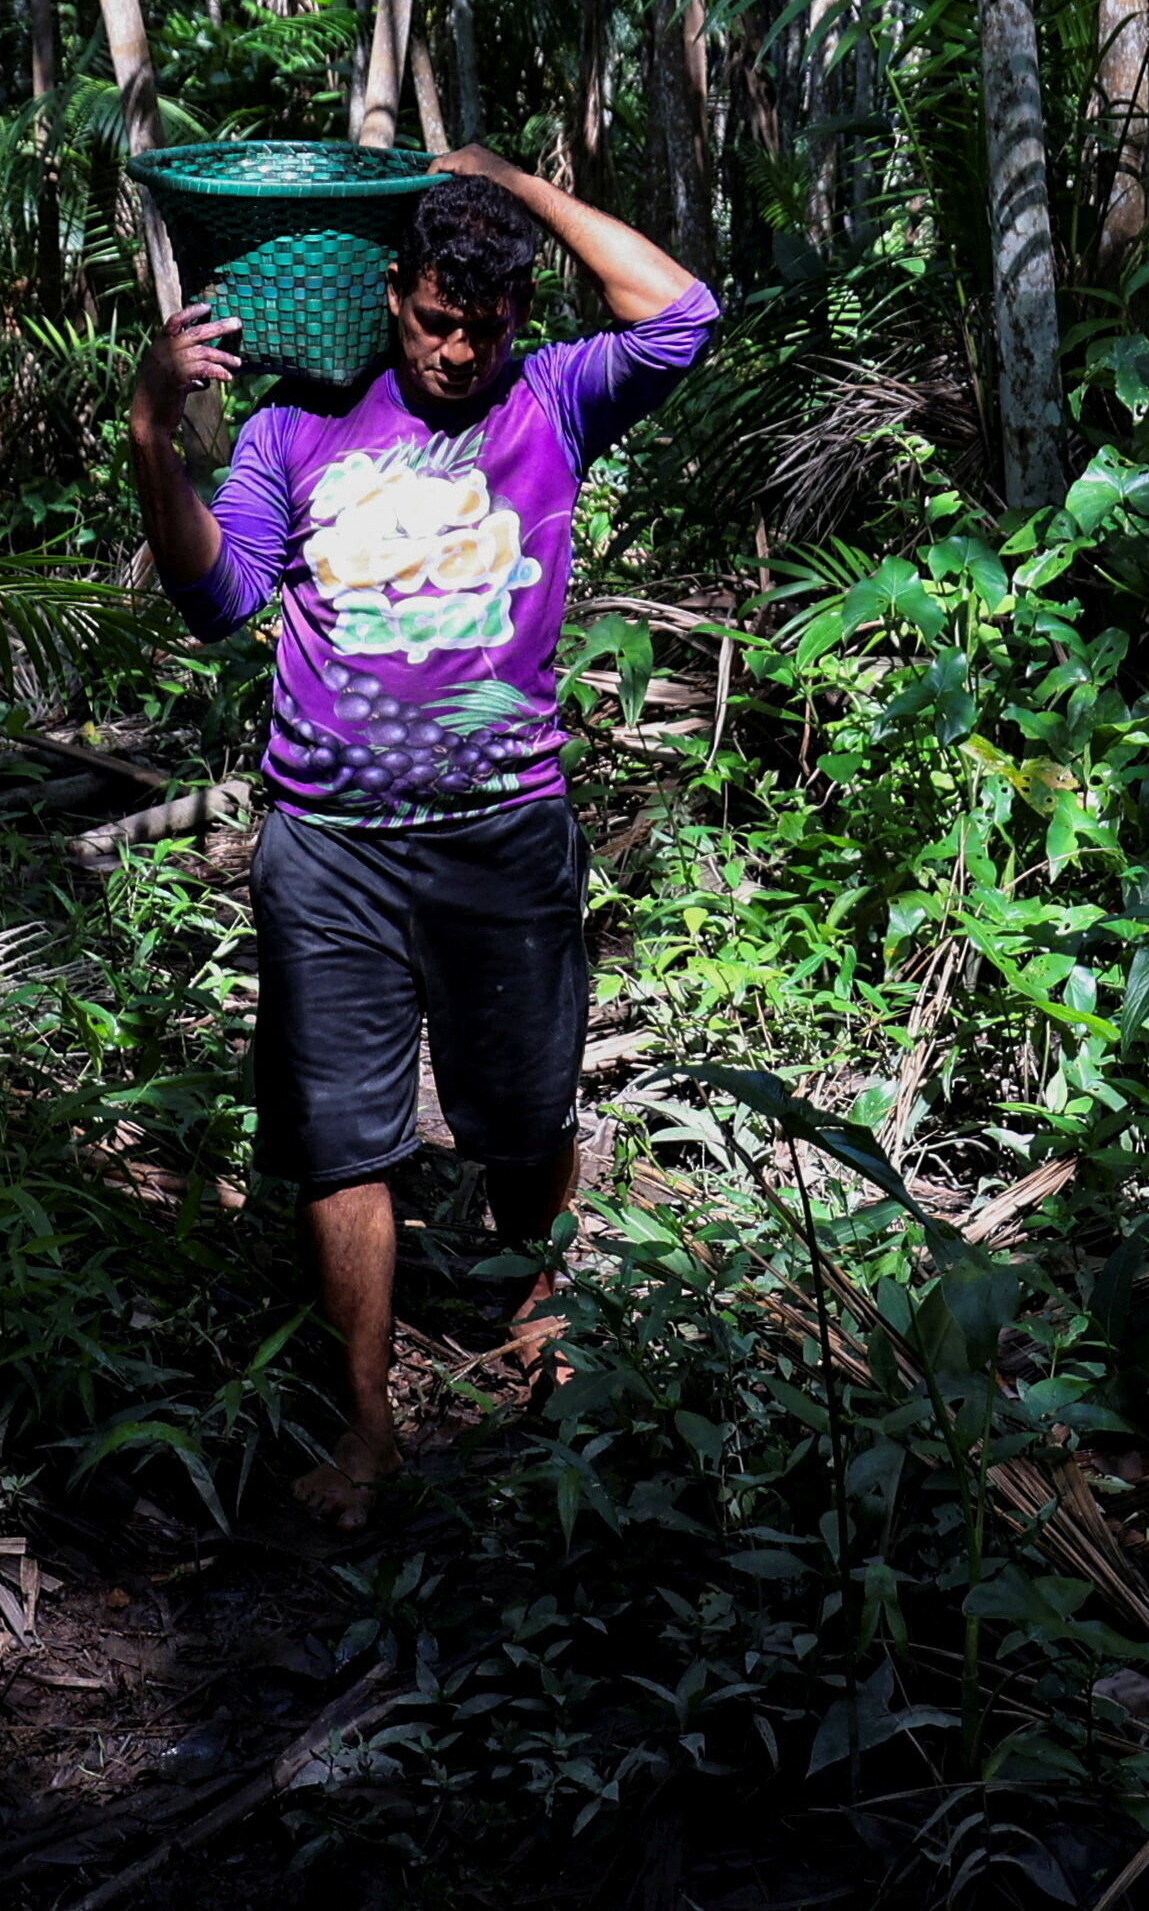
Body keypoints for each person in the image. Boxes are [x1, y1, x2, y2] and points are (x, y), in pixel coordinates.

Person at [125, 147, 718, 1528]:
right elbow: (216, 605)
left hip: (501, 838)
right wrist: (155, 437)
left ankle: (542, 1319)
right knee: (345, 1143)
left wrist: (510, 178)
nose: (458, 351)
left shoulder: (558, 399)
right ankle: (370, 1426)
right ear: (391, 295)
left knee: (522, 1118)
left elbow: (679, 312)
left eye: (485, 325)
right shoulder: (295, 426)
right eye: (436, 320)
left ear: (518, 319)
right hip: (328, 848)